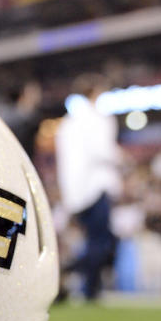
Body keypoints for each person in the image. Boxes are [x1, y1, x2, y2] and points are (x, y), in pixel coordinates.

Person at [55, 74, 122, 301]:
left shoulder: (68, 122)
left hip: (76, 190)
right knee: (101, 241)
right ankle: (76, 278)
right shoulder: (98, 119)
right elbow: (102, 150)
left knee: (96, 240)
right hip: (96, 186)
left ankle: (84, 283)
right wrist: (122, 157)